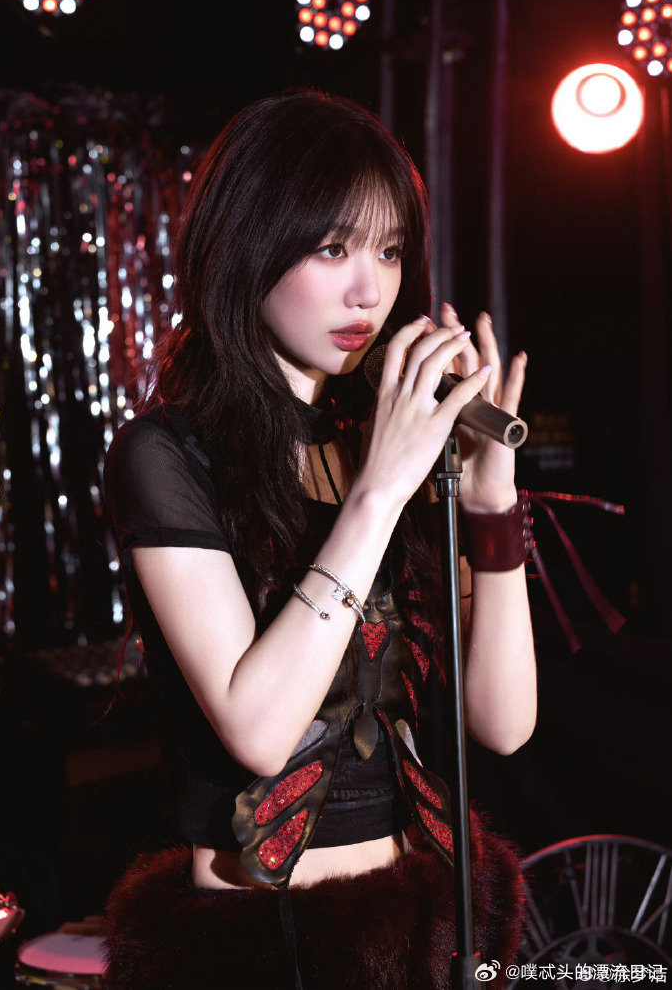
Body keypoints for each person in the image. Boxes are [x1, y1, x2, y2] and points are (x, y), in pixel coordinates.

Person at [102, 90, 535, 990]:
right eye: (333, 248)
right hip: (261, 946)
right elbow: (261, 729)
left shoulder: (382, 442)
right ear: (249, 244)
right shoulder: (167, 455)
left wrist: (492, 504)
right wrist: (378, 491)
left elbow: (503, 722)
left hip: (419, 927)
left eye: (389, 250)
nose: (369, 290)